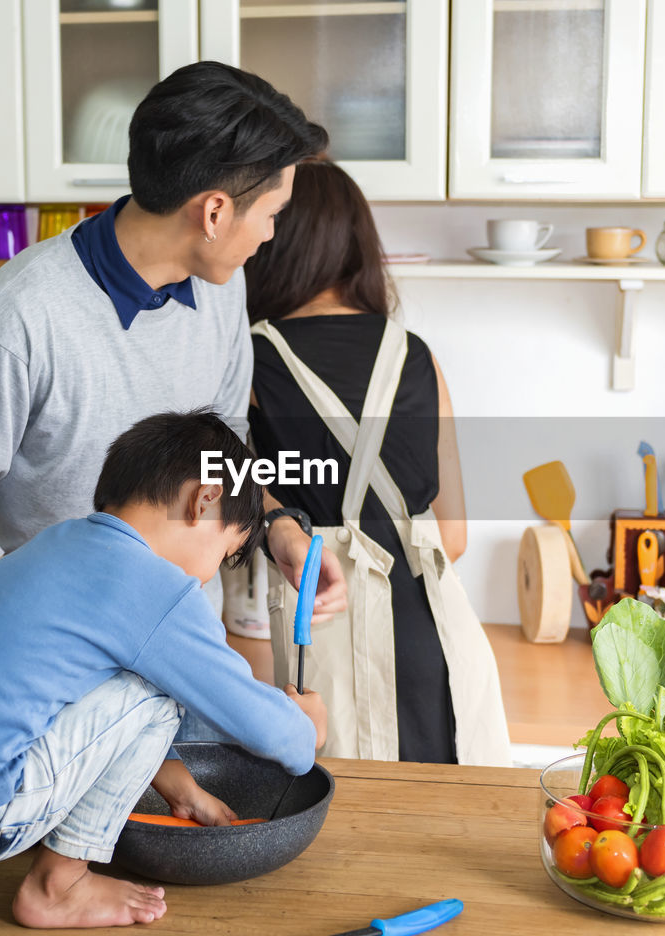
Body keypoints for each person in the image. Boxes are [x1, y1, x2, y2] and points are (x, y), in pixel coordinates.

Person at [0, 411, 328, 929]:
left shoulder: (57, 545)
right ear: (204, 498)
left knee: (104, 678)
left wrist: (182, 789)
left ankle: (49, 859)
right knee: (157, 690)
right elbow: (275, 734)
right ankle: (60, 885)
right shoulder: (156, 588)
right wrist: (306, 726)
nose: (210, 572)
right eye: (225, 549)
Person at [0, 61, 345, 623]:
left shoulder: (223, 286)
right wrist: (43, 639)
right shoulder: (17, 317)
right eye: (271, 213)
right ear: (214, 211)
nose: (270, 234)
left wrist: (277, 526)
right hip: (60, 662)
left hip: (185, 640)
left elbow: (223, 452)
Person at [242, 160, 510, 766]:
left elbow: (233, 491)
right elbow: (456, 537)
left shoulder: (252, 358)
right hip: (444, 641)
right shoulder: (415, 355)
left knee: (349, 838)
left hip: (336, 642)